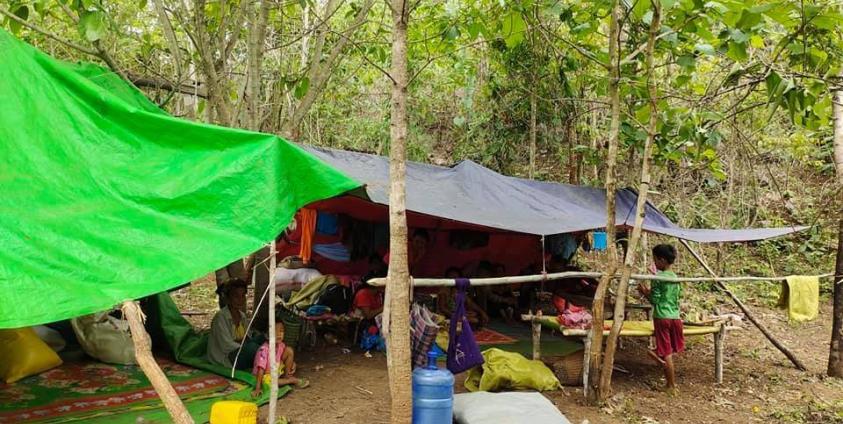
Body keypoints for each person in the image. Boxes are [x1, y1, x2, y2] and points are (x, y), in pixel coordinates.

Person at [638, 244, 683, 393]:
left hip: (662, 317)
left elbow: (655, 299)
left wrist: (644, 291)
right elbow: (675, 296)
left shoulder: (657, 278)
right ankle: (659, 359)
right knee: (666, 349)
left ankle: (671, 386)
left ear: (662, 260)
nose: (655, 262)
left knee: (666, 353)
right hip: (675, 317)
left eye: (655, 260)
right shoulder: (675, 277)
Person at [207, 280, 262, 369]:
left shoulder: (242, 316)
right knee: (254, 349)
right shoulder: (220, 317)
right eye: (236, 296)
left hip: (241, 349)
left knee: (263, 339)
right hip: (227, 357)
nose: (240, 300)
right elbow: (226, 345)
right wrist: (247, 346)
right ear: (228, 298)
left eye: (243, 296)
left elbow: (248, 336)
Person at [251, 319, 309, 398]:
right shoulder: (264, 350)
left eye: (281, 331)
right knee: (268, 381)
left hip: (275, 370)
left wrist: (293, 363)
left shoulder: (281, 345)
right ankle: (291, 380)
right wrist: (258, 388)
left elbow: (284, 357)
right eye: (275, 331)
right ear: (267, 334)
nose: (279, 334)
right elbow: (260, 370)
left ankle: (287, 376)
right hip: (264, 376)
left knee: (289, 350)